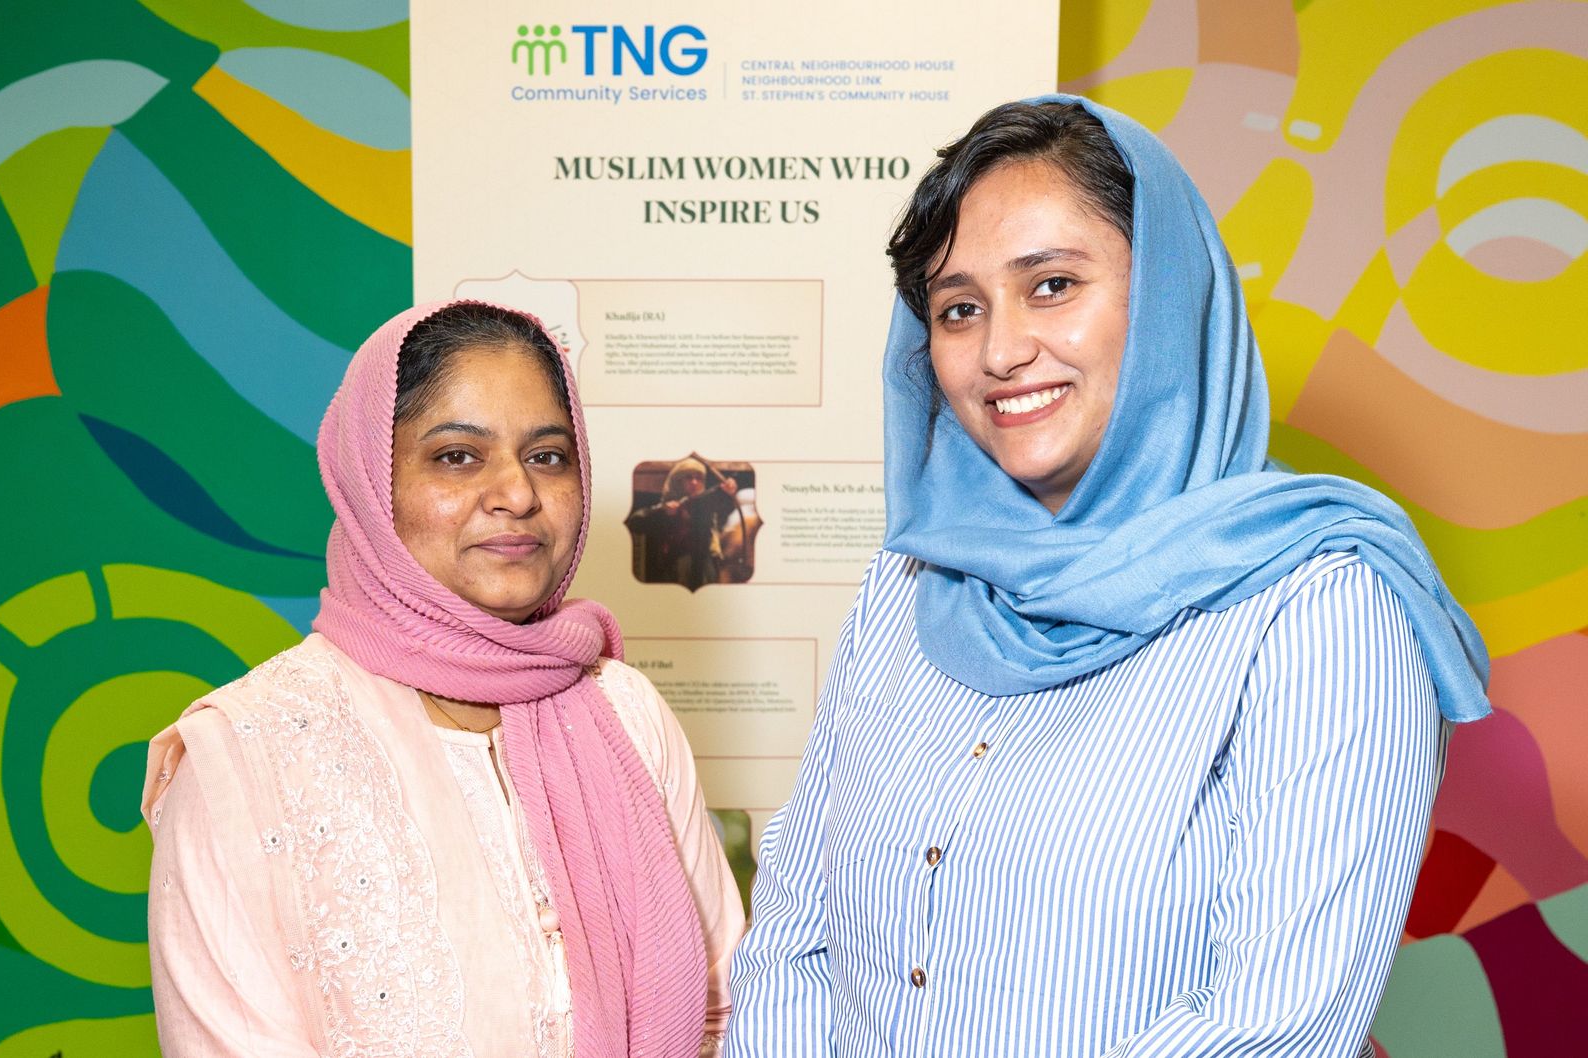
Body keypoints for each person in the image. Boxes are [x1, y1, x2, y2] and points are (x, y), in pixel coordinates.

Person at [725, 97, 1490, 1057]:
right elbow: (799, 924)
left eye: (1050, 285)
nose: (1000, 351)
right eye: (959, 308)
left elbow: (1274, 1025)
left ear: (1169, 294)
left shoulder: (1313, 606)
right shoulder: (911, 581)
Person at [142, 300, 743, 1057]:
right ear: (371, 482)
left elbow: (729, 1011)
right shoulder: (241, 756)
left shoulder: (624, 710)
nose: (517, 494)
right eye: (457, 455)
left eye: (548, 456)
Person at [625, 458, 740, 590]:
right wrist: (663, 512)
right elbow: (635, 522)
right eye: (688, 478)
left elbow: (712, 498)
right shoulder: (667, 507)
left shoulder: (705, 504)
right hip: (673, 572)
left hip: (704, 572)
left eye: (699, 478)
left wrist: (727, 489)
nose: (694, 482)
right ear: (678, 482)